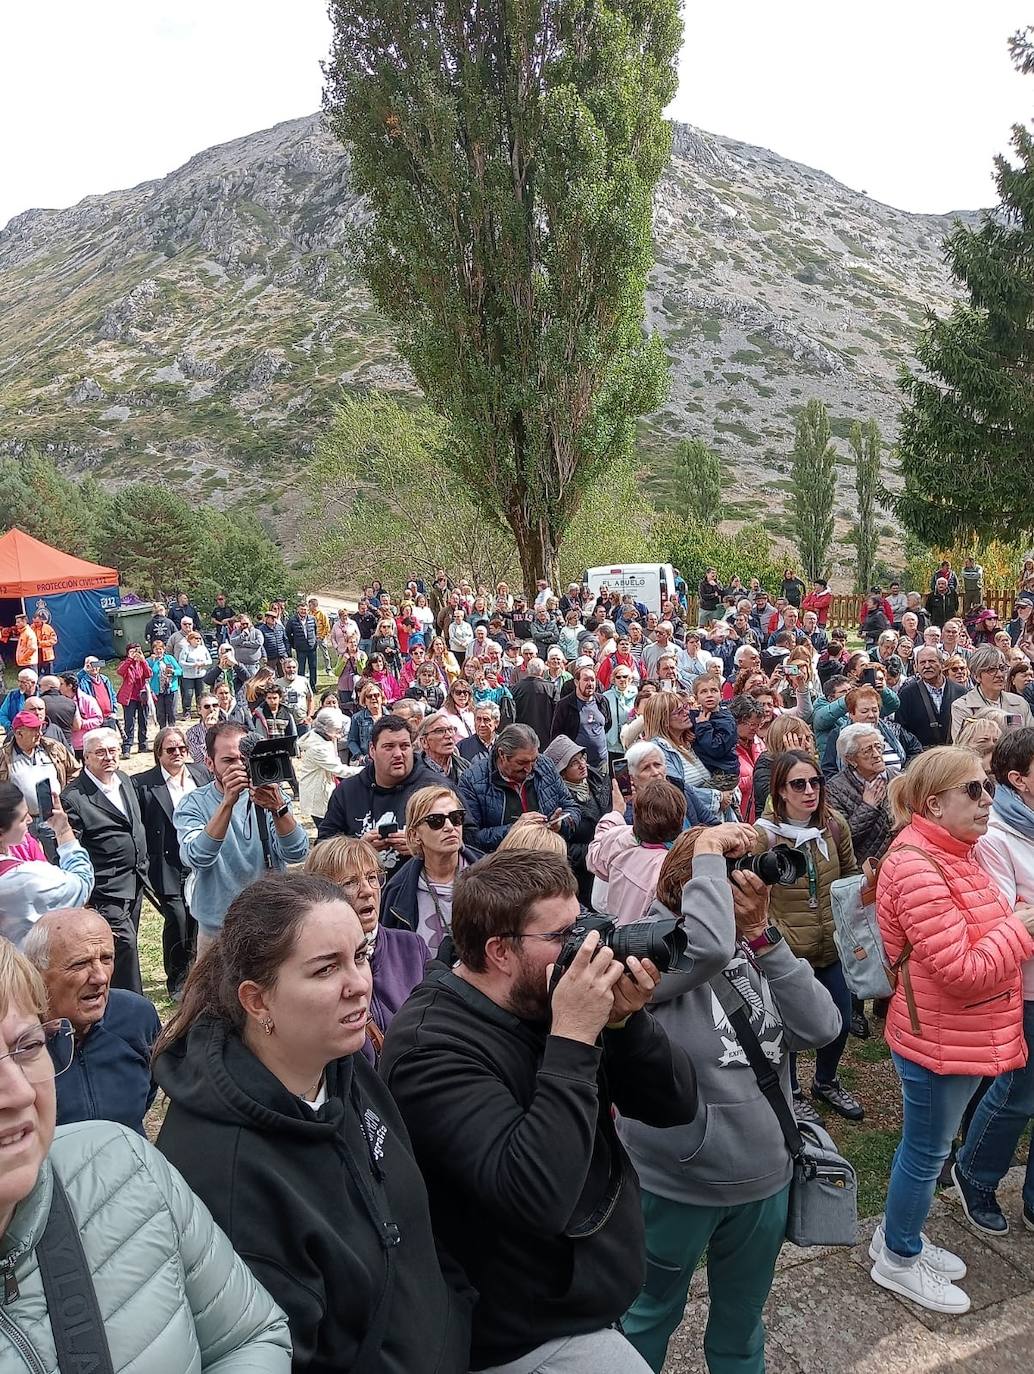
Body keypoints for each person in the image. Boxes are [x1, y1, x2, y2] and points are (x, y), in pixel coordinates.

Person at [380, 850, 699, 1374]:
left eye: (585, 926)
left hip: (588, 1293)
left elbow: (675, 1104)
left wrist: (623, 1024)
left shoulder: (541, 996)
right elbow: (537, 1197)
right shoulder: (429, 1049)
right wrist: (573, 1036)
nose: (586, 948)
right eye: (562, 937)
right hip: (524, 1333)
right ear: (500, 951)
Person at [153, 872, 470, 1372]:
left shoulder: (342, 1066)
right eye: (326, 970)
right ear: (257, 1001)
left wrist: (455, 1313)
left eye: (361, 957)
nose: (359, 984)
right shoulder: (225, 1173)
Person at [0, 938, 293, 1370]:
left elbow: (250, 1336)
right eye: (79, 962)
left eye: (27, 1046)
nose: (20, 1092)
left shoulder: (125, 1165)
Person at [620, 824, 841, 1373]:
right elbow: (708, 947)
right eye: (726, 867)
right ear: (696, 879)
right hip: (678, 1182)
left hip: (764, 1176)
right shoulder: (653, 949)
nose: (744, 877)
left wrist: (765, 935)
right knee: (648, 1315)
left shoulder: (752, 947)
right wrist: (708, 854)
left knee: (741, 1327)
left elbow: (821, 1026)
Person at [871, 747, 1034, 1314]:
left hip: (957, 1031)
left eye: (987, 787)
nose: (988, 800)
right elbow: (963, 971)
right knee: (926, 1150)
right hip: (938, 1037)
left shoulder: (954, 851)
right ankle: (897, 1256)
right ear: (934, 802)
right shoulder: (917, 864)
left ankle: (898, 1235)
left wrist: (1008, 922)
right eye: (974, 790)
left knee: (927, 1145)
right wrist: (1018, 926)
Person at [953, 728, 1034, 1234]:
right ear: (1018, 778)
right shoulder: (997, 836)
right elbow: (1004, 917)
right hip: (1025, 987)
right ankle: (975, 1175)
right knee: (1017, 1093)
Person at [756, 750, 862, 1123]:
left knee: (842, 1021)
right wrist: (774, 932)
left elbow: (849, 874)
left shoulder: (834, 826)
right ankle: (793, 1090)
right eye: (798, 784)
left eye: (815, 781)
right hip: (789, 952)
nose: (809, 791)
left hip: (831, 944)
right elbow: (751, 894)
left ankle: (826, 1081)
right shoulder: (764, 837)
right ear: (781, 791)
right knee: (791, 1028)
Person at [174, 721, 310, 955]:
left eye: (243, 759)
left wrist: (279, 809)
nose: (238, 767)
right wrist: (227, 803)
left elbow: (297, 852)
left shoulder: (269, 793)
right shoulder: (193, 803)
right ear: (209, 763)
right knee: (213, 992)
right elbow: (197, 857)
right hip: (218, 928)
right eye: (228, 761)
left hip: (270, 922)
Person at [23, 908, 160, 1135]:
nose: (101, 977)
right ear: (37, 972)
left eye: (106, 958)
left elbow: (148, 1091)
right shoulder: (16, 1041)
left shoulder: (137, 1016)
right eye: (80, 964)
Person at [303, 837, 429, 1062]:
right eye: (350, 882)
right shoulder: (314, 964)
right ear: (322, 893)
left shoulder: (412, 947)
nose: (367, 891)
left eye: (372, 878)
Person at [61, 729, 149, 994]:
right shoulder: (74, 798)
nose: (108, 757)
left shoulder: (123, 780)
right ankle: (133, 1004)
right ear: (86, 757)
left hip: (135, 880)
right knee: (124, 946)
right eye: (100, 752)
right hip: (105, 889)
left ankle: (115, 997)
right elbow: (68, 847)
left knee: (125, 943)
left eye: (112, 751)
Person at [133, 727, 208, 999]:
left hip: (200, 859)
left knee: (198, 917)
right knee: (177, 919)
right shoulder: (143, 783)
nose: (177, 754)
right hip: (166, 863)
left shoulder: (201, 774)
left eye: (181, 749)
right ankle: (176, 980)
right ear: (158, 753)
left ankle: (197, 974)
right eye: (170, 750)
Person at [316, 713, 442, 858]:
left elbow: (465, 842)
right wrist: (360, 848)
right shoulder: (348, 792)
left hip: (419, 878)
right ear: (372, 750)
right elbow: (322, 849)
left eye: (404, 746)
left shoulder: (435, 788)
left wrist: (424, 846)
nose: (398, 754)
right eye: (389, 747)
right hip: (362, 876)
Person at [379, 784, 481, 956]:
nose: (449, 827)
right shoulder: (397, 891)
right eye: (436, 821)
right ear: (414, 835)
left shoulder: (489, 874)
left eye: (456, 817)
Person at [456, 722, 580, 852]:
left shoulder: (545, 765)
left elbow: (572, 807)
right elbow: (470, 837)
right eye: (522, 763)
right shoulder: (472, 780)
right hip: (502, 864)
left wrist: (561, 824)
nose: (529, 769)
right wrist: (514, 829)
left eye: (534, 760)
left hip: (547, 856)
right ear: (502, 754)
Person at [0, 782, 93, 944]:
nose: (30, 820)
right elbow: (83, 881)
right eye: (22, 819)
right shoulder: (25, 879)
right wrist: (63, 829)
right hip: (19, 966)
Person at [586, 777, 688, 925]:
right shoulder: (674, 869)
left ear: (635, 816)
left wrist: (616, 813)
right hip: (645, 942)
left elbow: (594, 857)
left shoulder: (620, 839)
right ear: (681, 819)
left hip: (618, 934)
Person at [826, 723, 896, 865]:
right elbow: (842, 840)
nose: (876, 755)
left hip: (900, 860)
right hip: (865, 870)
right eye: (867, 751)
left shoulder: (896, 778)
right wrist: (868, 808)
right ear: (850, 759)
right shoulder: (834, 790)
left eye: (878, 747)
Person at [952, 645, 1034, 736]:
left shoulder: (1020, 703)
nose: (999, 674)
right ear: (977, 676)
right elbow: (962, 745)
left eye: (1002, 668)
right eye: (991, 670)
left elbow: (1029, 740)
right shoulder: (962, 706)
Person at [895, 645, 967, 747]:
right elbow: (901, 731)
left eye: (931, 661)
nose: (927, 666)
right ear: (916, 667)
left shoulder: (961, 692)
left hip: (954, 757)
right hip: (921, 758)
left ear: (942, 664)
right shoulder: (906, 695)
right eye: (922, 662)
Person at [549, 663, 611, 776]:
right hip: (578, 767)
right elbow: (557, 735)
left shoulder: (602, 701)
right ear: (577, 682)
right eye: (586, 680)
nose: (590, 684)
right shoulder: (565, 705)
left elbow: (607, 724)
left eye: (592, 680)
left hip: (601, 764)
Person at [296, 707, 353, 825]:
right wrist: (366, 770)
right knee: (326, 830)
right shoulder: (318, 748)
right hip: (317, 793)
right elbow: (340, 770)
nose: (338, 735)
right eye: (336, 731)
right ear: (325, 729)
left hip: (324, 787)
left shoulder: (321, 737)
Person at [512, 656, 558, 747]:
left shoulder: (516, 688)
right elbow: (557, 712)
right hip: (545, 736)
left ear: (528, 670)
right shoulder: (551, 688)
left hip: (522, 734)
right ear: (542, 671)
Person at [417, 710, 469, 785]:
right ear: (424, 741)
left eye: (450, 729)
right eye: (440, 731)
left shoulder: (465, 765)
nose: (449, 735)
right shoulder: (414, 773)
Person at [176, 629, 212, 718]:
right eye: (195, 639)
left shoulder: (203, 648)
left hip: (201, 675)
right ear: (190, 640)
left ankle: (200, 711)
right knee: (188, 694)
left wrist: (204, 663)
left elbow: (210, 660)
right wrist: (193, 665)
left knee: (200, 694)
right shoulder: (186, 649)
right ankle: (187, 711)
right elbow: (181, 662)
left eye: (199, 639)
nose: (198, 640)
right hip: (188, 675)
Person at [147, 638, 181, 730]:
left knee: (171, 712)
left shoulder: (169, 658)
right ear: (153, 650)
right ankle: (163, 731)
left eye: (160, 649)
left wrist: (173, 672)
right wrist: (154, 662)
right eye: (156, 649)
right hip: (158, 690)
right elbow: (148, 673)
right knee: (160, 713)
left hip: (171, 689)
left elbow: (180, 671)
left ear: (164, 649)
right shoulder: (150, 661)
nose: (158, 651)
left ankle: (172, 729)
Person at [286, 600, 319, 690]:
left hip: (312, 647)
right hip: (300, 649)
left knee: (313, 667)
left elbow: (315, 631)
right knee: (301, 668)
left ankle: (313, 686)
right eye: (301, 609)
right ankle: (301, 686)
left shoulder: (312, 619)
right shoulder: (292, 621)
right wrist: (294, 644)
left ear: (308, 610)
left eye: (305, 609)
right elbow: (288, 634)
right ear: (298, 610)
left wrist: (314, 641)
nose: (303, 611)